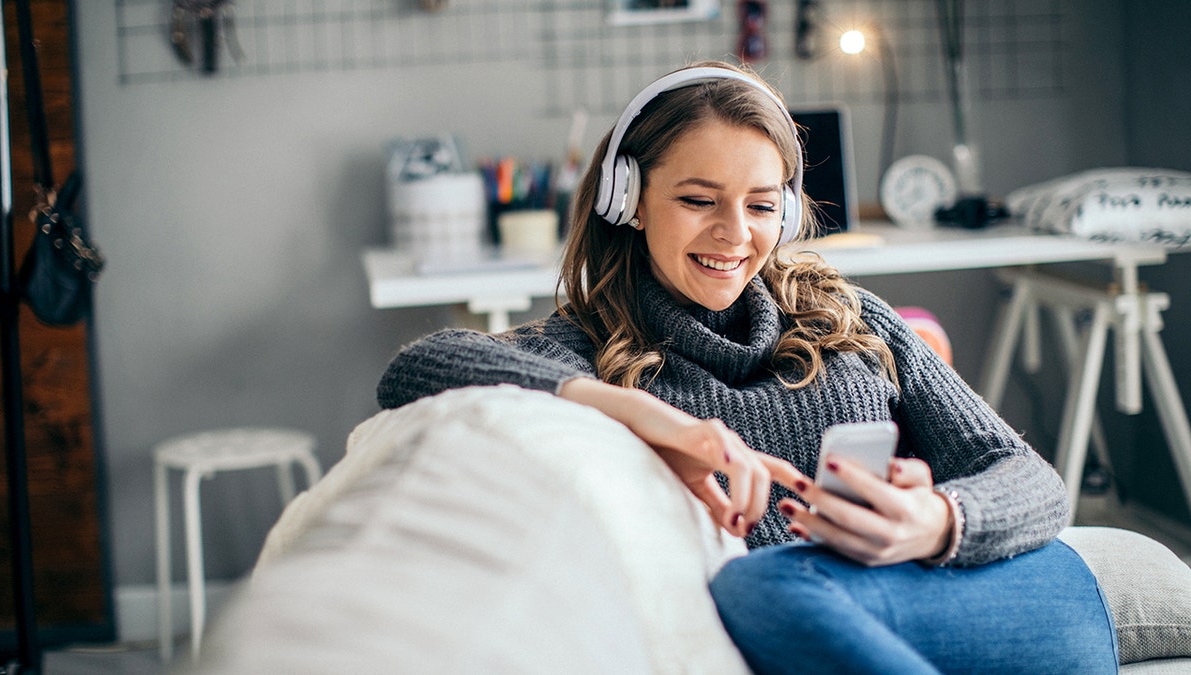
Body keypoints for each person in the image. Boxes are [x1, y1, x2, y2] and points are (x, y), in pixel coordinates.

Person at [377, 61, 1118, 673]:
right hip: (792, 617)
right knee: (762, 586)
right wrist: (640, 410)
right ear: (627, 200)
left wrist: (936, 519)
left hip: (953, 590)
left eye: (762, 206)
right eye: (699, 200)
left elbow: (1027, 478)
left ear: (789, 213)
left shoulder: (853, 319)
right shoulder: (582, 347)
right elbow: (417, 367)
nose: (735, 234)